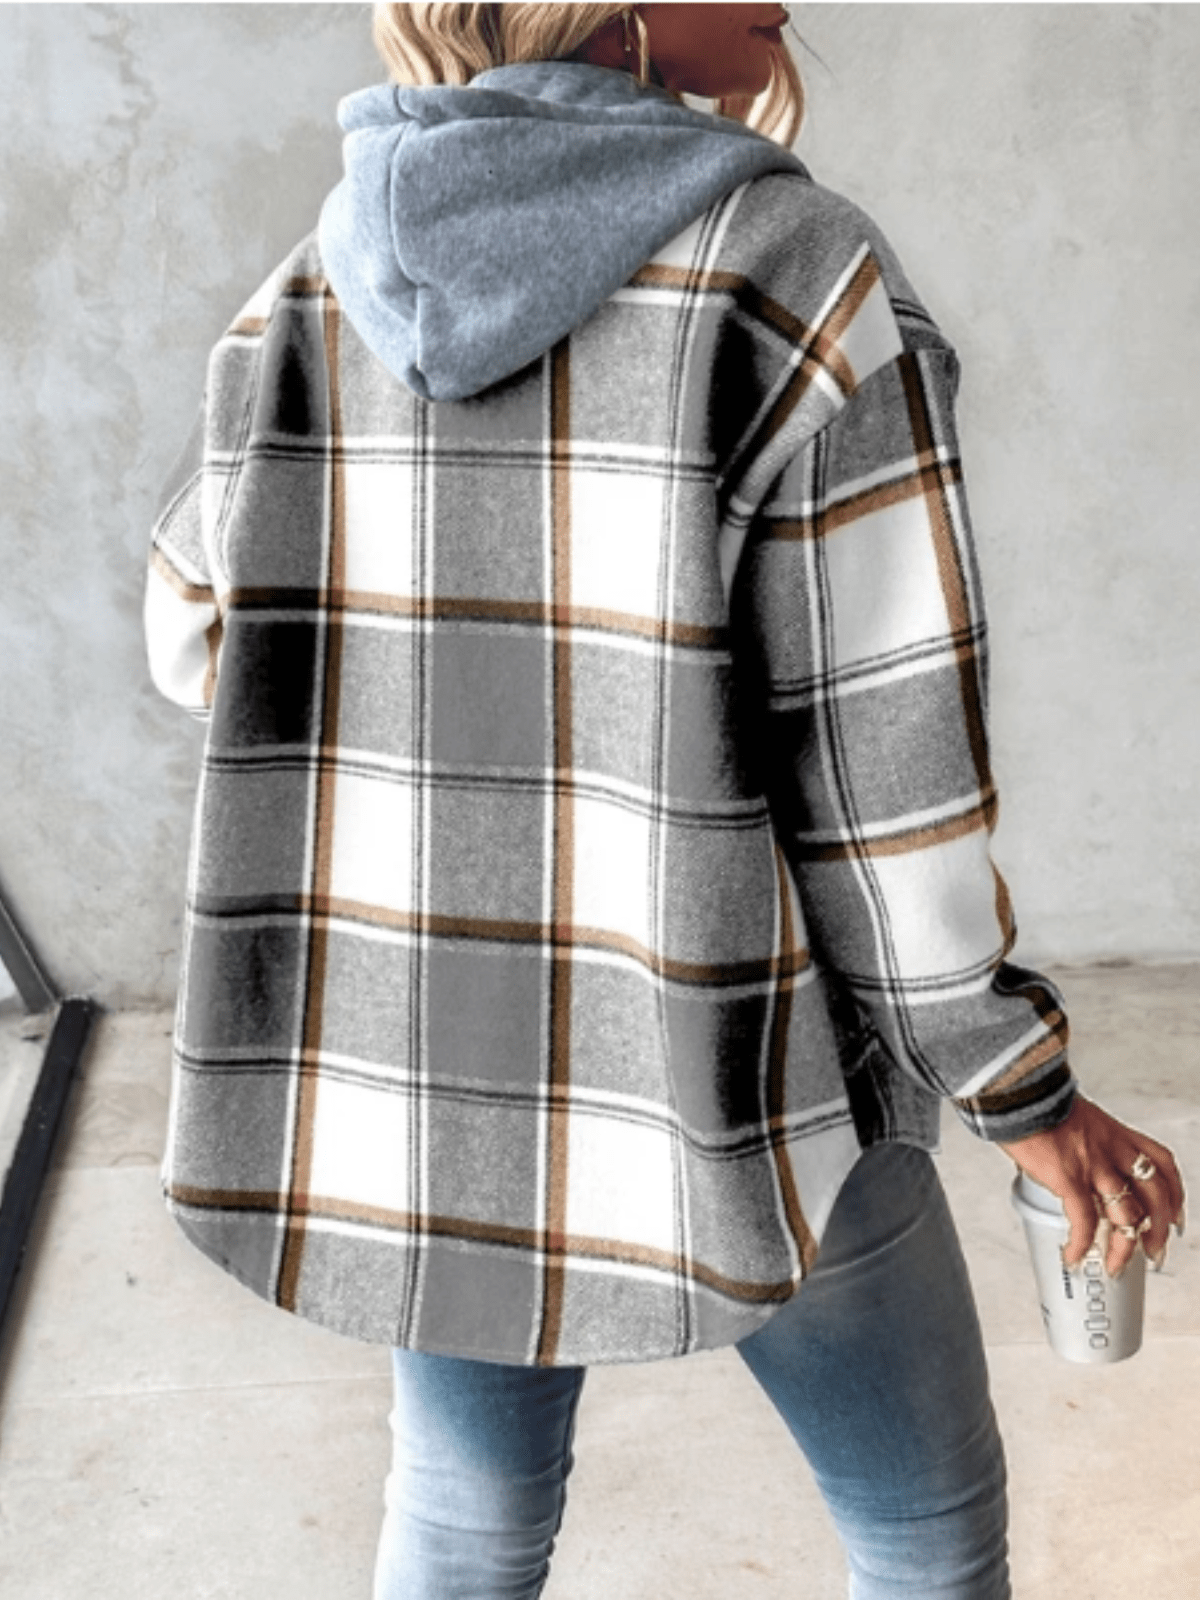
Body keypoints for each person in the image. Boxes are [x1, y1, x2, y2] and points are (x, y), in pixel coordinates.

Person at [144, 6, 1186, 1596]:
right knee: (921, 1525)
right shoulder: (792, 275)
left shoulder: (330, 272)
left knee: (466, 1513)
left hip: (436, 1067)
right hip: (743, 1054)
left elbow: (191, 630)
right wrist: (1017, 1090)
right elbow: (882, 778)